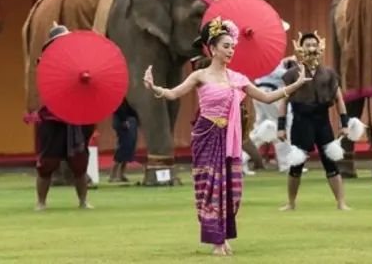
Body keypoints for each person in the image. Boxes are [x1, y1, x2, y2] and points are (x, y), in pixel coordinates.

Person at [143, 16, 311, 257]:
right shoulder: (200, 76)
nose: (231, 50)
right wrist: (155, 88)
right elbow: (172, 94)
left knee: (231, 189)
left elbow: (267, 98)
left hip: (229, 138)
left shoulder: (238, 79)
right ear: (212, 49)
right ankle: (217, 241)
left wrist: (295, 85)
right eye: (226, 46)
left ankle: (224, 236)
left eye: (233, 46)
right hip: (206, 135)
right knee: (211, 188)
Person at [277, 31, 350, 211]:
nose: (311, 48)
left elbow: (339, 99)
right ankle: (291, 203)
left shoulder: (329, 73)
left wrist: (344, 123)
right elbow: (283, 101)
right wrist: (280, 127)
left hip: (322, 121)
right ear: (300, 48)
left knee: (330, 163)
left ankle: (341, 202)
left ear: (320, 48)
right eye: (307, 45)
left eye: (313, 44)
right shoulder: (292, 74)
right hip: (301, 121)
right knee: (296, 165)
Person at [33, 24, 96, 211]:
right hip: (54, 118)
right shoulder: (46, 63)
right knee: (47, 162)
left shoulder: (80, 62)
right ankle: (41, 202)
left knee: (80, 162)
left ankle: (83, 201)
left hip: (77, 116)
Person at [252, 56, 298, 174]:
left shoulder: (262, 58)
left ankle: (240, 160)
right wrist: (295, 67)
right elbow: (283, 75)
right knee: (280, 126)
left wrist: (285, 63)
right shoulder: (269, 60)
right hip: (270, 93)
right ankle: (286, 164)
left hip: (259, 93)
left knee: (259, 129)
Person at [109, 98, 139, 183]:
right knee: (122, 147)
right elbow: (118, 109)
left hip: (130, 122)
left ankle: (121, 174)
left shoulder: (125, 98)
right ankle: (112, 174)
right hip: (122, 123)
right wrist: (124, 120)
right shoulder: (116, 98)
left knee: (129, 148)